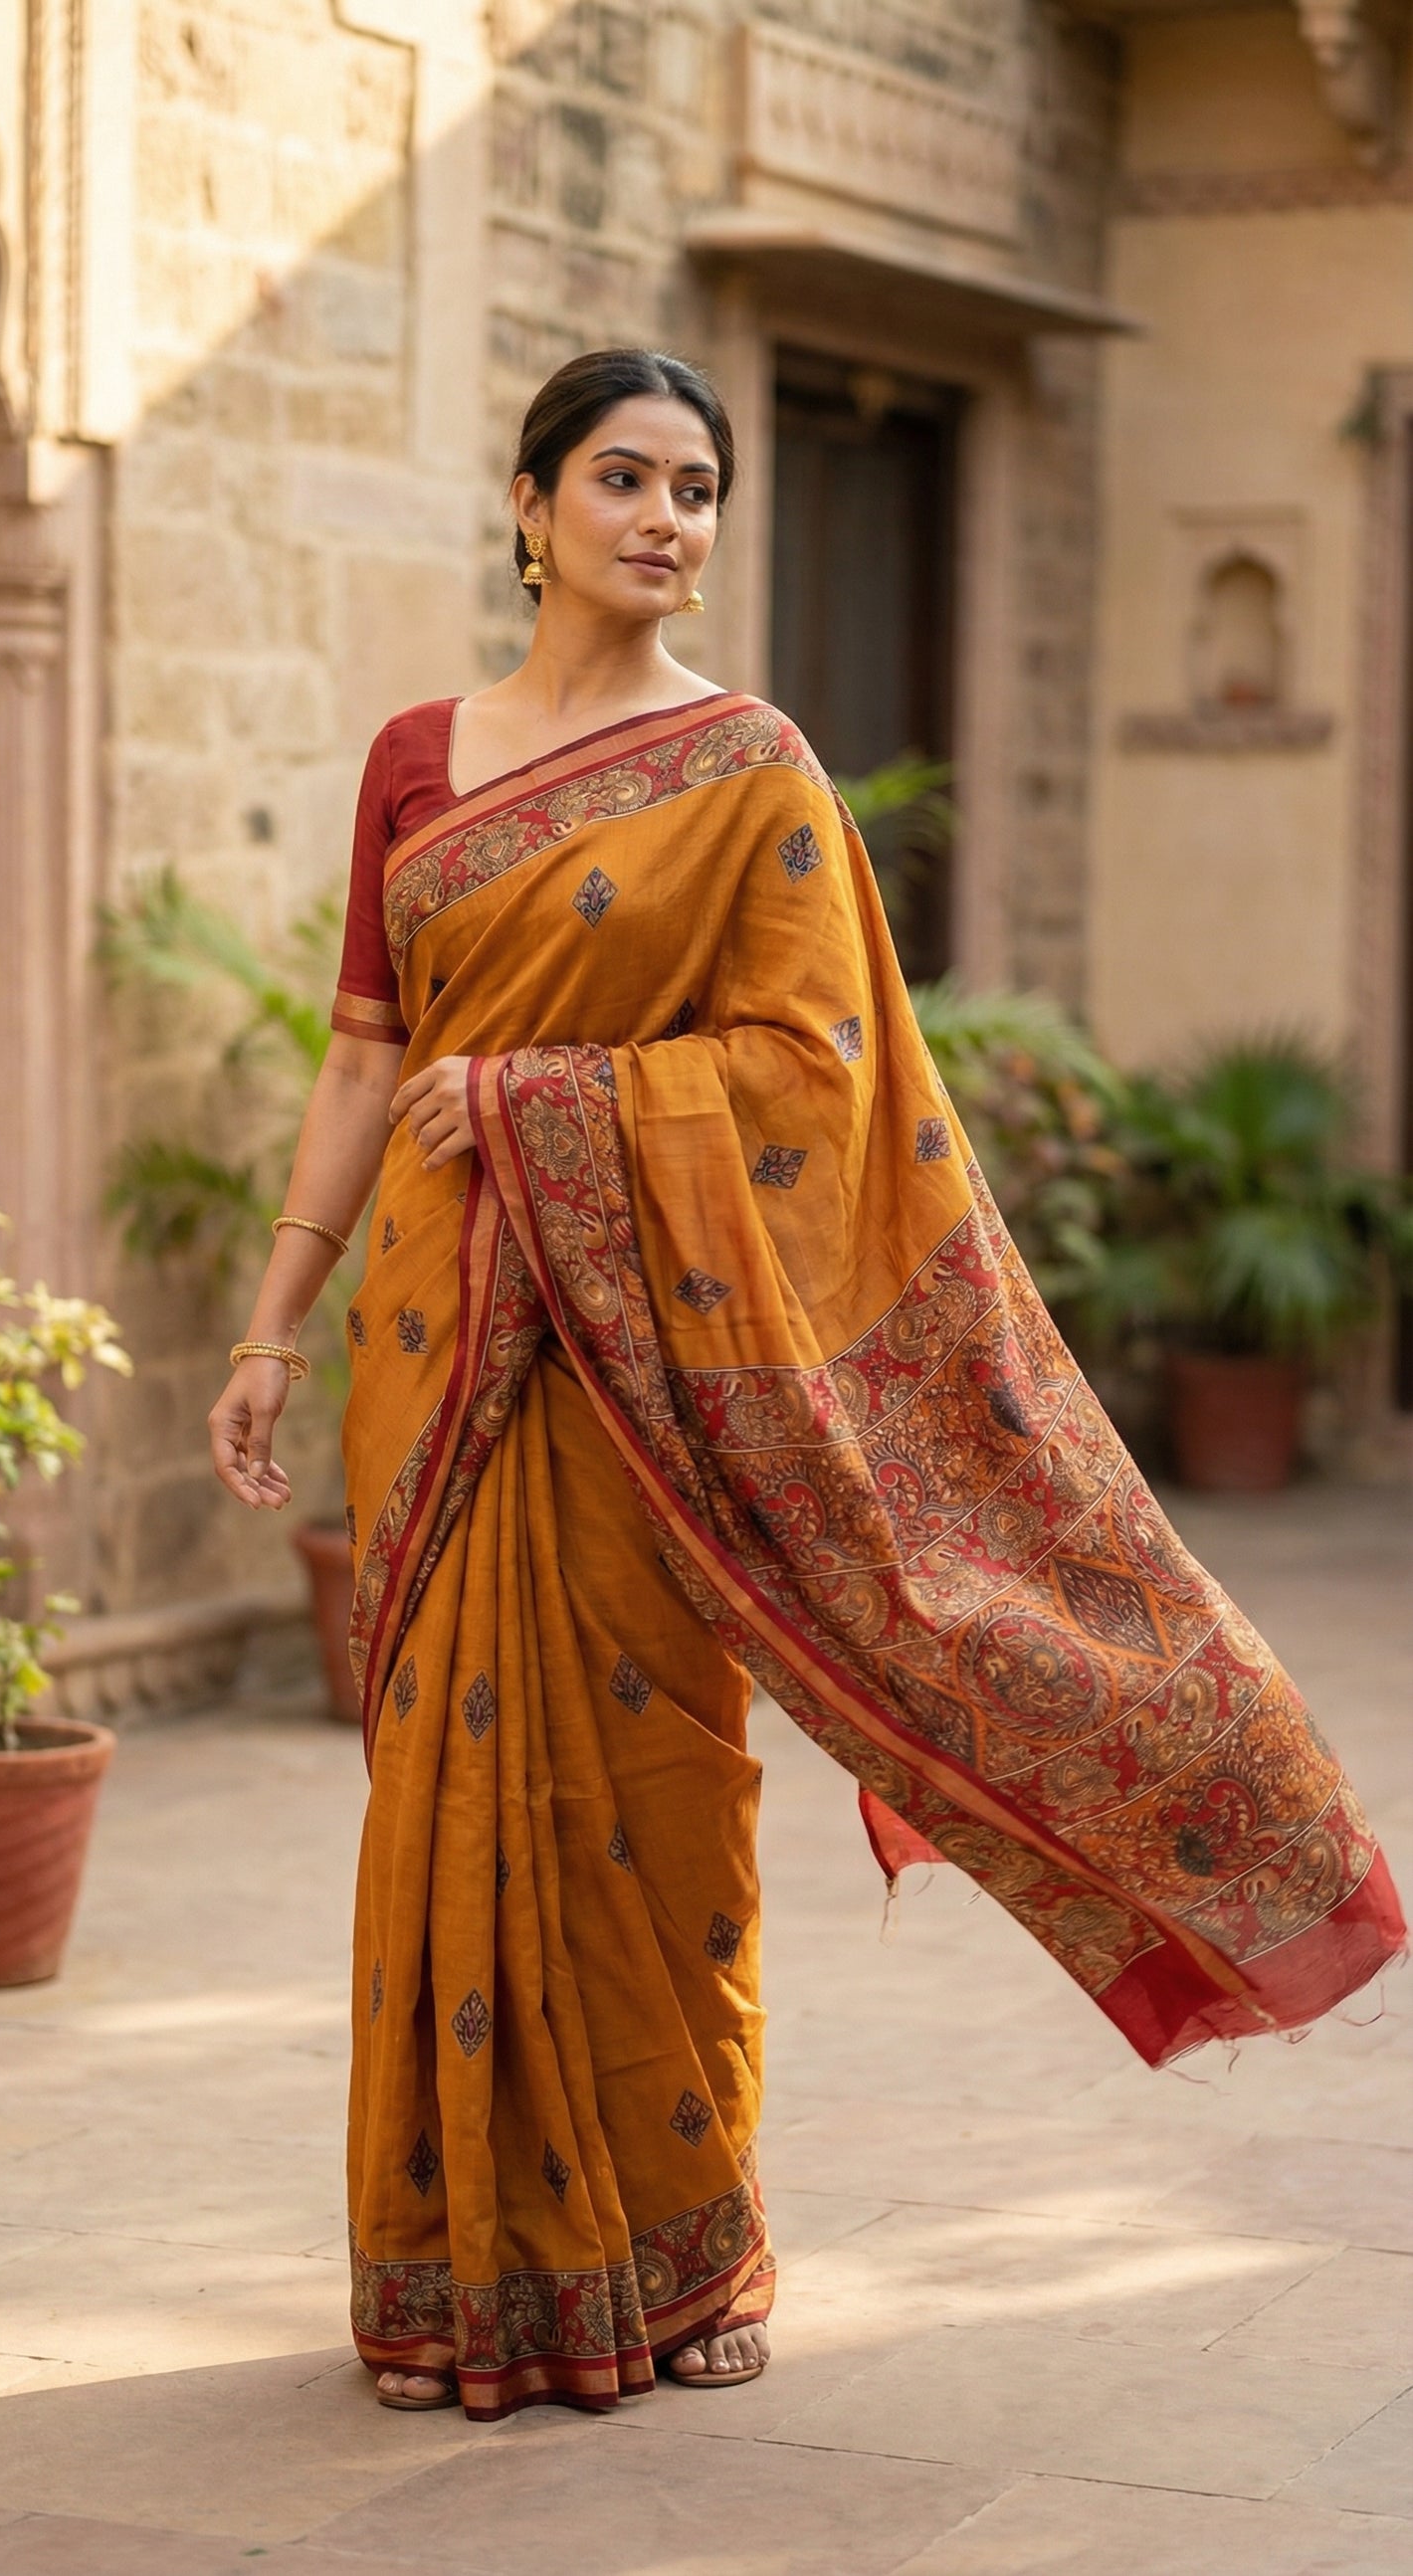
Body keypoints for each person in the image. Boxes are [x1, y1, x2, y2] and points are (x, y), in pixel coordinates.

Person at [208, 346, 1404, 2424]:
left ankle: (695, 2248)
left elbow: (809, 1075)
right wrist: (268, 1318)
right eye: (623, 478)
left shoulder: (749, 767)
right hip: (437, 1341)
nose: (665, 518)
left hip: (640, 1369)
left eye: (698, 488)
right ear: (529, 505)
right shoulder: (415, 758)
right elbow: (365, 1057)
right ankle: (459, 2271)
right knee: (442, 1795)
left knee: (655, 1791)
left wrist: (546, 1099)